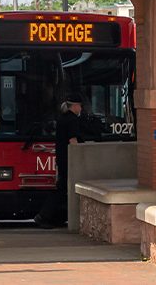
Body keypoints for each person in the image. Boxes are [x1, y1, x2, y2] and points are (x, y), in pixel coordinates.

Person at [35, 95, 97, 228]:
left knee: (62, 188)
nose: (80, 108)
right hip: (69, 159)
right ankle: (43, 216)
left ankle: (54, 216)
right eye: (79, 106)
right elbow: (73, 140)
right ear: (74, 106)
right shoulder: (72, 120)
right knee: (62, 189)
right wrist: (79, 157)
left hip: (62, 158)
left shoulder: (62, 118)